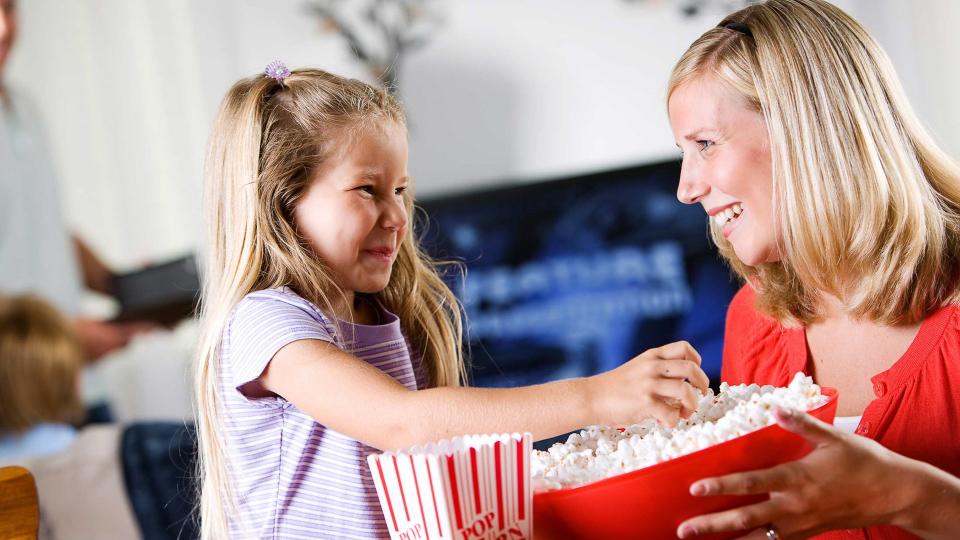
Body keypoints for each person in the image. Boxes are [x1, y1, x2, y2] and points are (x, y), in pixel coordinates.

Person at [194, 64, 710, 539]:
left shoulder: (383, 317)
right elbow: (403, 423)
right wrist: (594, 398)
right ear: (283, 203)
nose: (397, 215)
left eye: (400, 189)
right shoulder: (266, 322)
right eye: (367, 190)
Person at [666, 1, 960, 538]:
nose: (685, 189)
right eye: (685, 152)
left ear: (806, 132)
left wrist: (907, 496)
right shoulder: (753, 321)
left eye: (706, 144)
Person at [0, 0, 151, 363]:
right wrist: (59, 337)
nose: (4, 29)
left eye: (9, 9)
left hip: (75, 382)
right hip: (18, 390)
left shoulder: (24, 108)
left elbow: (42, 225)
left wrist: (122, 287)